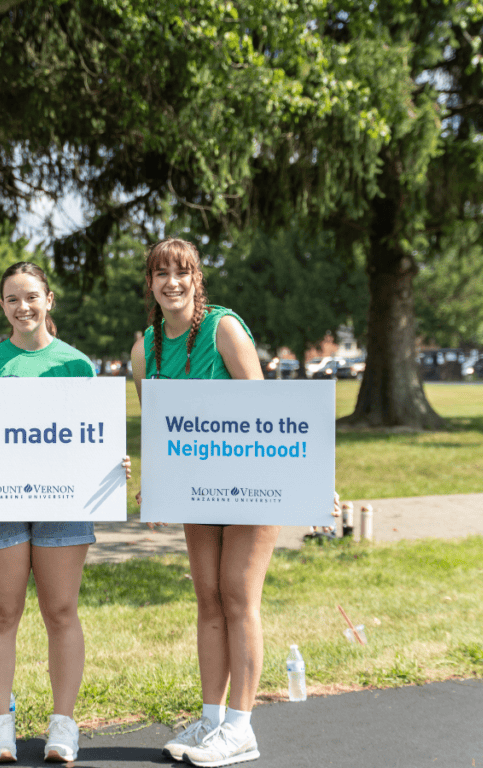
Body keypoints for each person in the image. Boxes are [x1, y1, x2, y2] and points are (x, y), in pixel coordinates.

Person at [0, 261, 130, 764]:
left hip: (65, 500)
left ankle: (64, 723)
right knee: (2, 611)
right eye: (12, 299)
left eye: (32, 297)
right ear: (2, 306)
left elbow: (91, 436)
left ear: (49, 299)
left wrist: (113, 462)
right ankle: (1, 723)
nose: (23, 307)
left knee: (61, 611)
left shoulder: (78, 366)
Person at [130, 238, 275, 767]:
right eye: (161, 273)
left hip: (252, 480)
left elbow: (266, 413)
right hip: (198, 490)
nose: (172, 282)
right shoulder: (146, 348)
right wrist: (158, 481)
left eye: (182, 272)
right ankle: (211, 721)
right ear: (149, 283)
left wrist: (303, 476)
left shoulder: (223, 328)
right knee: (208, 600)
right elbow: (159, 431)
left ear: (196, 279)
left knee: (238, 596)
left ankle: (241, 727)